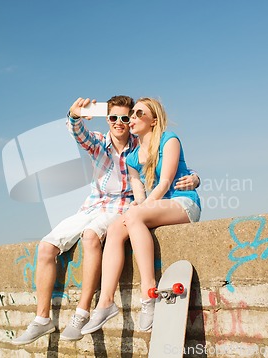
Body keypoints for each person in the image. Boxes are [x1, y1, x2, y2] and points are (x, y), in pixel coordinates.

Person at [12, 96, 200, 345]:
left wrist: (195, 178)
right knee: (46, 247)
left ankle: (85, 312)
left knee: (93, 236)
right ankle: (43, 319)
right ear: (107, 119)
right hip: (93, 206)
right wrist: (74, 115)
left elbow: (171, 172)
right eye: (116, 117)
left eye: (129, 116)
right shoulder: (103, 143)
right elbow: (79, 134)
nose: (123, 122)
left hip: (127, 206)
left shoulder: (143, 142)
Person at [81, 97, 202, 335]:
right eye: (131, 115)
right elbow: (139, 194)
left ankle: (149, 295)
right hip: (154, 207)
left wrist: (137, 210)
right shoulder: (133, 157)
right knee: (116, 228)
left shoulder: (169, 140)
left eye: (138, 114)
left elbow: (165, 182)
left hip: (182, 203)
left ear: (153, 121)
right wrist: (133, 210)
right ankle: (105, 302)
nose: (131, 119)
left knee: (134, 216)